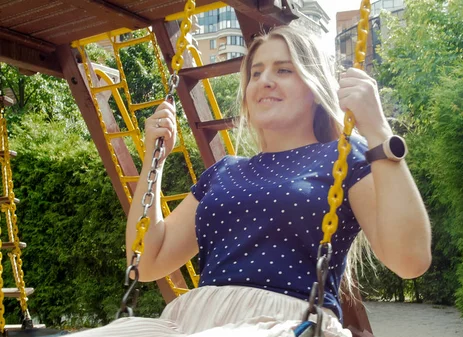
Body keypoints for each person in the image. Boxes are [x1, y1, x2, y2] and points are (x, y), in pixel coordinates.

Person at [71, 25, 431, 337]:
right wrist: (155, 160)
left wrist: (378, 131)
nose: (264, 81)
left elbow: (410, 260)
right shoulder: (225, 171)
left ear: (314, 86)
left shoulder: (343, 156)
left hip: (287, 320)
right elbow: (147, 262)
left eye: (283, 70)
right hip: (189, 321)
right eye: (255, 73)